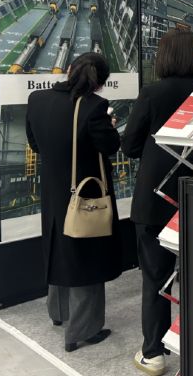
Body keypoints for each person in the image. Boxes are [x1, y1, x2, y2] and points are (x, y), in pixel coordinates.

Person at [122, 28, 193, 376]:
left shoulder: (152, 93)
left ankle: (154, 353)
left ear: (164, 57)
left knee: (156, 278)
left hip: (154, 198)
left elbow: (129, 145)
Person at [25, 52, 121, 353]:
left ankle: (58, 312)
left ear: (69, 70)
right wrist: (110, 125)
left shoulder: (36, 100)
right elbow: (110, 145)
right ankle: (83, 330)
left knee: (57, 250)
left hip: (53, 192)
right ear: (100, 83)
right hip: (85, 193)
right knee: (86, 260)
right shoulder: (94, 107)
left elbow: (35, 144)